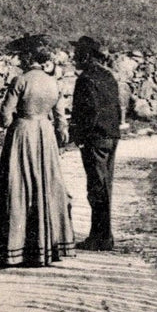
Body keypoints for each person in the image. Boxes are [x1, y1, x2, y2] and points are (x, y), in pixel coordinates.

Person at [0, 34, 75, 268]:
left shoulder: (20, 81)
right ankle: (47, 246)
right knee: (46, 185)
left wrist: (10, 120)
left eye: (21, 57)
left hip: (23, 133)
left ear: (27, 57)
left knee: (18, 184)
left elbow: (5, 117)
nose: (19, 61)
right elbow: (60, 117)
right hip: (45, 134)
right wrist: (60, 129)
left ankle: (16, 247)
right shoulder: (53, 82)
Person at [69, 35, 122, 251]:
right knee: (104, 185)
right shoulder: (108, 76)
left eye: (77, 53)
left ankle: (100, 238)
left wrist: (80, 138)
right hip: (111, 136)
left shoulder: (85, 79)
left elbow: (88, 112)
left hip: (95, 138)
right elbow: (118, 107)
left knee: (96, 187)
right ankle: (102, 234)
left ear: (87, 55)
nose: (74, 57)